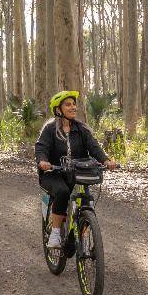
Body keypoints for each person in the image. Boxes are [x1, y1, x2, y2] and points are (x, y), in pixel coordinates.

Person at [35, 90, 118, 249]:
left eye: (74, 104)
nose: (73, 107)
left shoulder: (81, 129)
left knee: (86, 199)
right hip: (53, 173)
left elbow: (94, 147)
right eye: (68, 104)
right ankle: (55, 232)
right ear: (58, 110)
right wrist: (43, 161)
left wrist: (106, 161)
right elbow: (41, 147)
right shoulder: (50, 129)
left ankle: (84, 233)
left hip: (77, 173)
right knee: (62, 192)